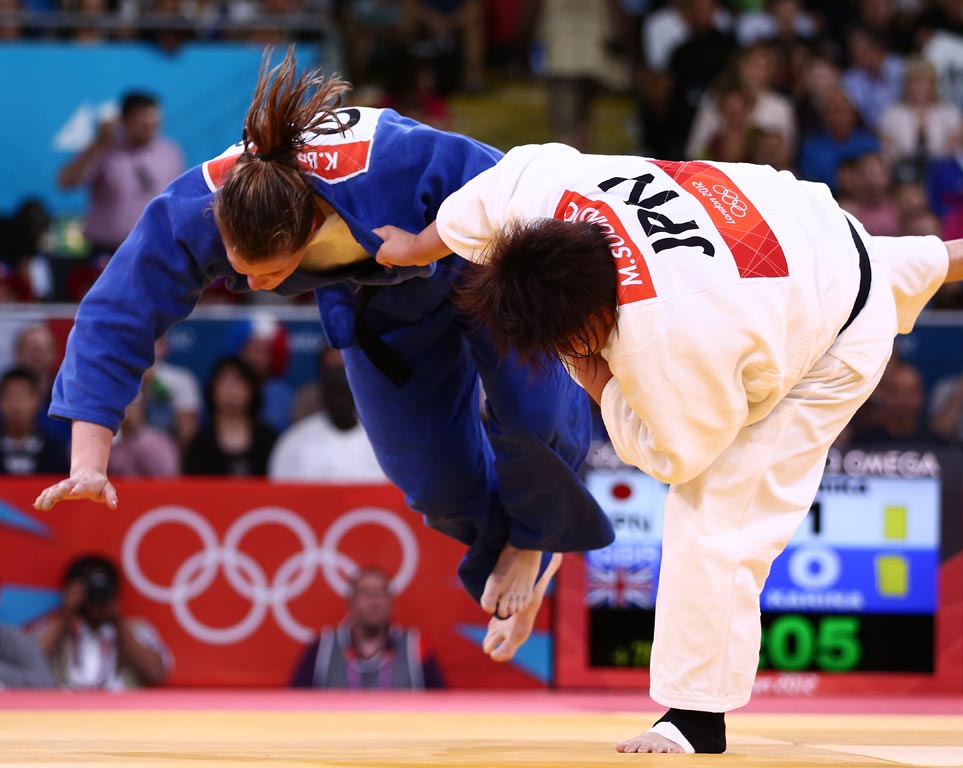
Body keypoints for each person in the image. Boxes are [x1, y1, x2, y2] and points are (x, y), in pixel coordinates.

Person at [372, 142, 963, 753]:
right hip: (805, 226)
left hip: (834, 342)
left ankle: (696, 717)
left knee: (718, 511)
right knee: (850, 263)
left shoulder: (664, 340)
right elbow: (482, 199)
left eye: (570, 341)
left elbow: (678, 457)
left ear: (596, 323)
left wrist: (597, 381)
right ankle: (953, 256)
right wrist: (416, 247)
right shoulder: (547, 195)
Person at [33, 50, 612, 662]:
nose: (255, 287)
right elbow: (117, 310)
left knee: (537, 414)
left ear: (311, 227)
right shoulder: (198, 206)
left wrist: (584, 318)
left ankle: (536, 537)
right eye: (240, 271)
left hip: (487, 271)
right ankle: (512, 544)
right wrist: (90, 456)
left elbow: (525, 199)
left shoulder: (403, 162)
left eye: (271, 273)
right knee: (429, 482)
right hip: (382, 313)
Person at [56, 91, 184, 258]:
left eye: (154, 121)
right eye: (142, 121)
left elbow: (178, 199)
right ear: (124, 120)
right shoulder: (105, 150)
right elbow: (66, 181)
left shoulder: (170, 153)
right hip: (107, 253)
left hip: (155, 249)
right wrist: (98, 143)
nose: (149, 126)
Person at [34, 555, 171, 689]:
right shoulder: (53, 626)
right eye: (89, 589)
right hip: (63, 708)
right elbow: (30, 661)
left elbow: (157, 674)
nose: (95, 595)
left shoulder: (137, 628)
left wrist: (118, 622)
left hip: (121, 708)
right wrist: (66, 613)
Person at [291, 568, 443, 689]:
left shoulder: (417, 646)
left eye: (380, 592)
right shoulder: (322, 648)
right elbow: (292, 706)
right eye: (365, 593)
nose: (374, 601)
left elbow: (442, 707)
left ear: (391, 601)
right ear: (350, 602)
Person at [269, 364, 386, 482]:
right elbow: (281, 489)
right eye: (333, 394)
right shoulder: (295, 439)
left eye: (344, 393)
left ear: (356, 396)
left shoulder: (382, 438)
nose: (339, 400)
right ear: (322, 398)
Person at [182, 356, 278, 477]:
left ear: (252, 390)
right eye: (224, 382)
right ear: (213, 390)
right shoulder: (200, 444)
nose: (231, 390)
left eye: (238, 382)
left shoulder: (270, 440)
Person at [0, 368, 69, 476]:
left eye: (23, 396)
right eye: (11, 396)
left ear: (38, 401)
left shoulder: (54, 450)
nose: (17, 405)